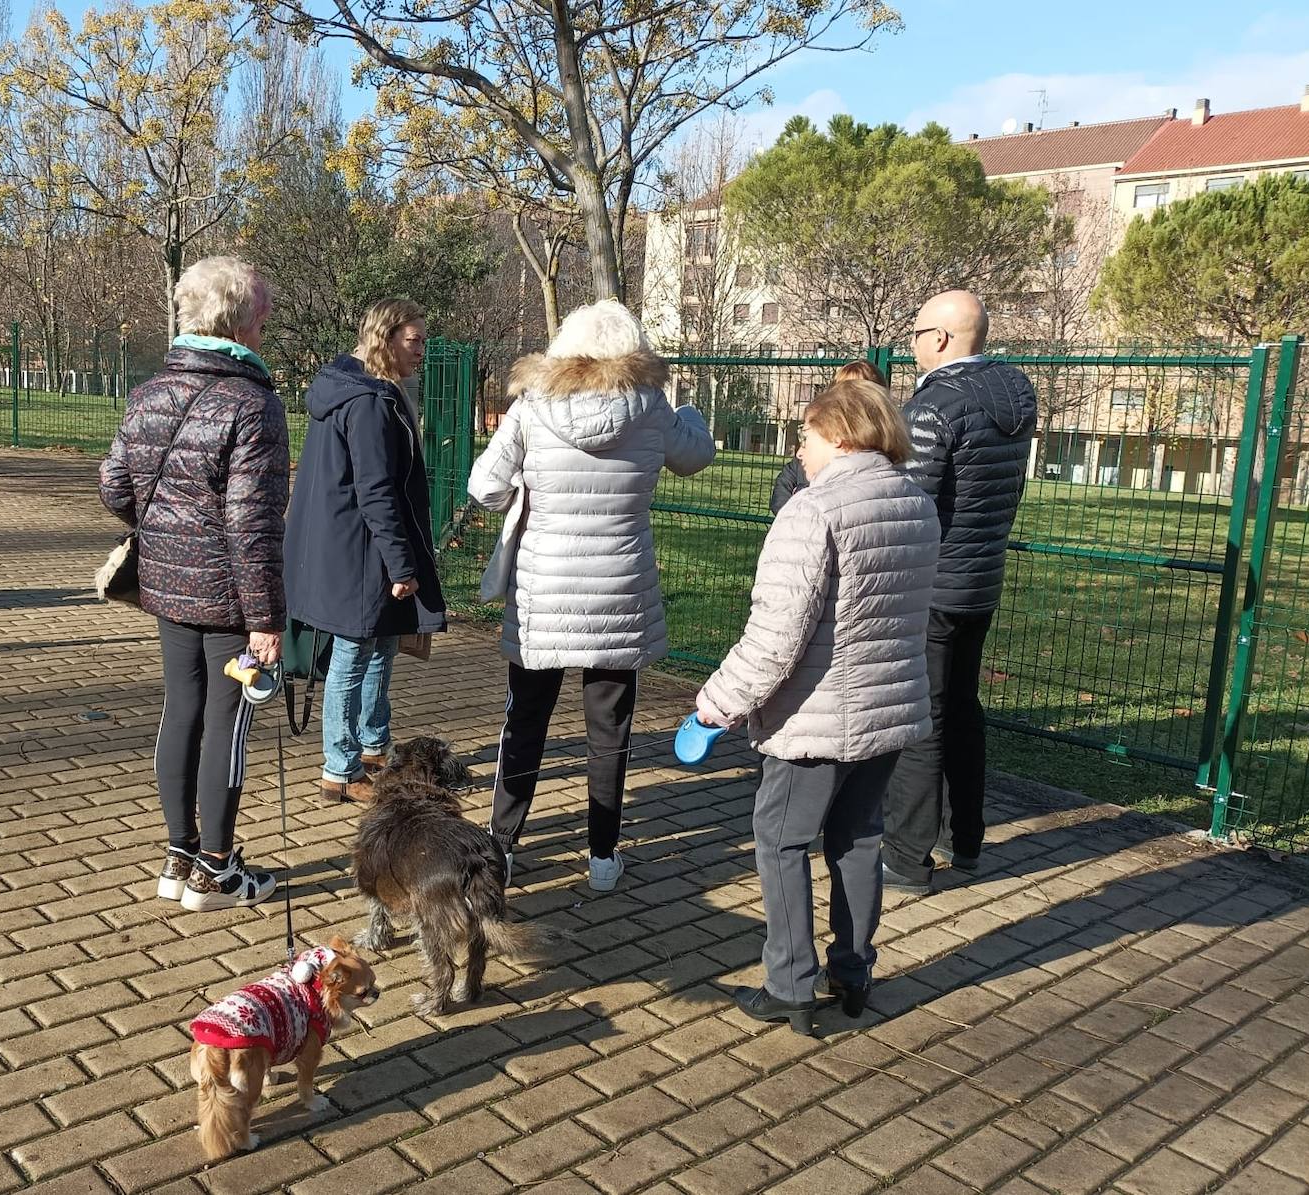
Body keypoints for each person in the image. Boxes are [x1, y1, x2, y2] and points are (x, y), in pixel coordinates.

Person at [696, 378, 939, 1033]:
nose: (798, 449)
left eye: (804, 434)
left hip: (816, 720)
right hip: (889, 713)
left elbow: (776, 635)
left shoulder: (811, 511)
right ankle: (853, 971)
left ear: (839, 433)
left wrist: (715, 705)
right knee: (858, 840)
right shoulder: (916, 503)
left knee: (780, 840)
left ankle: (792, 984)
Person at [469, 300, 715, 891]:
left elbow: (483, 488)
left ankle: (502, 848)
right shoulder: (652, 408)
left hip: (544, 594)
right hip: (620, 592)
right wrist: (693, 414)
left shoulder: (533, 407)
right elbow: (697, 456)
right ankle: (603, 858)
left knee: (524, 721)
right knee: (611, 729)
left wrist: (523, 495)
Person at [99, 256, 289, 911]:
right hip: (232, 598)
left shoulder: (148, 393)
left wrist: (171, 532)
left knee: (181, 713)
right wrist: (267, 618)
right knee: (226, 724)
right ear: (242, 319)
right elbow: (251, 523)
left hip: (168, 588)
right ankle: (216, 871)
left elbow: (113, 486)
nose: (267, 322)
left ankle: (177, 857)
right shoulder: (254, 403)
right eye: (263, 311)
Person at [883, 289, 1037, 895]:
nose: (914, 345)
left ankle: (904, 857)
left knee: (921, 717)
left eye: (917, 334)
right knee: (962, 710)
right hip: (981, 580)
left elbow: (907, 503)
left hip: (933, 586)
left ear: (941, 340)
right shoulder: (1015, 395)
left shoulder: (937, 405)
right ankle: (964, 839)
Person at [282, 298, 446, 803]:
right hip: (358, 551)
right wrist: (403, 563)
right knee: (352, 656)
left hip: (348, 547)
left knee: (382, 643)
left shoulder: (354, 389)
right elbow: (376, 490)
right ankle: (340, 767)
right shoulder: (369, 401)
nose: (422, 350)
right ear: (385, 337)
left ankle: (374, 747)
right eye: (413, 340)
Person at [770, 359, 885, 514]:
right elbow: (784, 486)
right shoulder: (814, 445)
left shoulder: (884, 455)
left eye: (859, 391)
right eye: (843, 389)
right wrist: (794, 513)